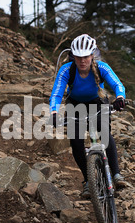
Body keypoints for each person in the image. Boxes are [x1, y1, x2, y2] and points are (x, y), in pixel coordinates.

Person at [49, 33, 126, 198]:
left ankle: (116, 174)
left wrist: (120, 98)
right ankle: (88, 181)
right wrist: (54, 112)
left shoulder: (101, 67)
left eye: (85, 57)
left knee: (104, 133)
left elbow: (117, 84)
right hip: (75, 104)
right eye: (78, 57)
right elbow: (56, 94)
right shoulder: (66, 70)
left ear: (92, 55)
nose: (82, 61)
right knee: (76, 142)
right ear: (73, 57)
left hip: (98, 102)